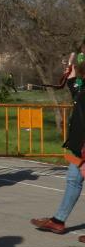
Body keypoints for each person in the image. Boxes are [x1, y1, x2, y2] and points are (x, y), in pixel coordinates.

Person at [32, 51, 85, 235]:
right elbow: (74, 87)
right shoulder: (82, 85)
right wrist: (71, 69)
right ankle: (58, 220)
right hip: (79, 146)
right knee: (73, 180)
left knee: (74, 179)